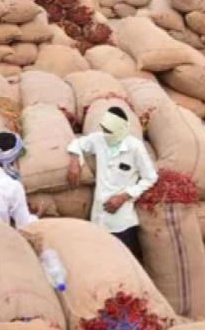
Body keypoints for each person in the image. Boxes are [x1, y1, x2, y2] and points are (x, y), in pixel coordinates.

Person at [67, 106, 158, 260]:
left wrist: (124, 196)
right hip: (99, 218)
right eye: (104, 129)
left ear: (120, 130)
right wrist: (75, 161)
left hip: (121, 223)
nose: (106, 134)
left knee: (123, 263)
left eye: (109, 131)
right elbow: (78, 144)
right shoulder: (98, 139)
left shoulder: (134, 147)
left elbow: (150, 177)